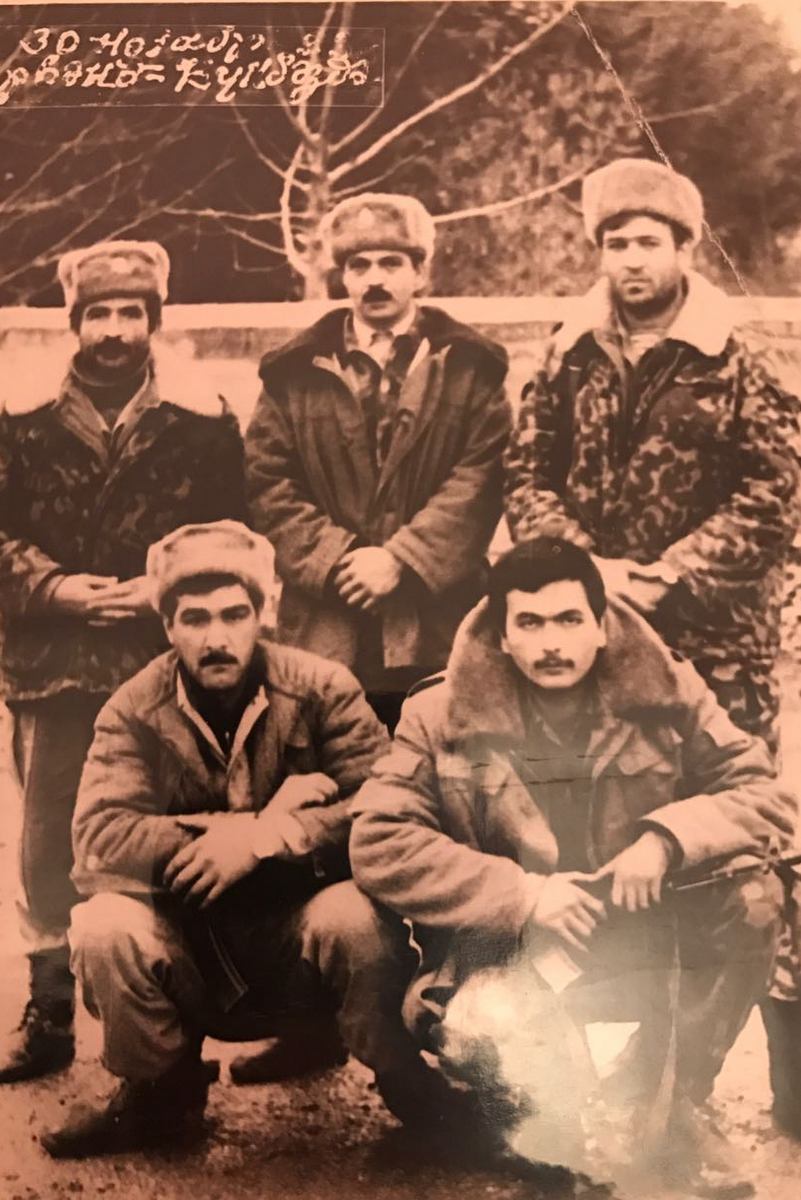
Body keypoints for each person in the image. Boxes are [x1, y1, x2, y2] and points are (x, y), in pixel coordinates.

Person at [350, 538, 795, 1197]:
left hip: (644, 936)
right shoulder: (437, 713)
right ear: (502, 635)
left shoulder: (667, 691)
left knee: (756, 900)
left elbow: (766, 794)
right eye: (529, 623)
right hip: (507, 947)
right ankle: (556, 1124)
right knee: (484, 1034)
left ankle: (667, 1105)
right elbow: (378, 839)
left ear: (600, 623)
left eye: (568, 619)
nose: (551, 643)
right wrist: (522, 894)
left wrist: (665, 841)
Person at [502, 157, 801, 1135]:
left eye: (648, 242)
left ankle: (707, 1081)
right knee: (614, 836)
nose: (630, 260)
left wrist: (669, 572)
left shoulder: (739, 358)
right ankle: (613, 1072)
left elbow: (774, 491)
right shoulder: (566, 355)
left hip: (715, 645)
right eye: (614, 243)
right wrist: (589, 574)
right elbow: (525, 474)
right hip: (599, 639)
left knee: (735, 849)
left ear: (684, 247)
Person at [40, 520, 429, 1158]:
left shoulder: (324, 687)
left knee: (357, 917)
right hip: (188, 948)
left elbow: (391, 807)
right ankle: (159, 1093)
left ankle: (404, 1080)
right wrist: (242, 829)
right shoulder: (131, 709)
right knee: (105, 925)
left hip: (297, 945)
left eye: (233, 614)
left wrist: (275, 837)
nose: (216, 638)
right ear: (168, 627)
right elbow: (99, 837)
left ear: (263, 615)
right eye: (194, 619)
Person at [0, 240, 246, 1084]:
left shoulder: (202, 421)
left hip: (160, 657)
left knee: (162, 832)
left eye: (130, 313)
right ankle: (49, 1012)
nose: (113, 331)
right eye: (98, 313)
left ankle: (164, 1024)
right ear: (74, 323)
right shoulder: (20, 420)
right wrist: (56, 588)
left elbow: (232, 529)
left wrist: (164, 587)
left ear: (153, 320)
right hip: (51, 659)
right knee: (48, 837)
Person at [246, 192, 511, 733]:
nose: (374, 280)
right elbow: (266, 481)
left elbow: (481, 476)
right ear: (342, 277)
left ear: (420, 274)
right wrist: (340, 560)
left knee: (441, 759)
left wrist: (401, 561)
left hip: (437, 622)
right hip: (326, 622)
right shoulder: (293, 372)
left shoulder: (471, 367)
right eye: (359, 266)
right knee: (328, 764)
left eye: (391, 263)